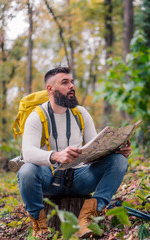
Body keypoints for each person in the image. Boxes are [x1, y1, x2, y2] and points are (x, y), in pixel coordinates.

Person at [17, 66, 131, 238]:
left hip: (80, 179)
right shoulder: (37, 116)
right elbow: (27, 153)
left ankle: (89, 216)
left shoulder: (81, 113)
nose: (71, 86)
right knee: (26, 171)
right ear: (50, 89)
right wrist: (56, 155)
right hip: (49, 180)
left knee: (119, 161)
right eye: (65, 82)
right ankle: (40, 226)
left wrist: (117, 151)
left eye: (72, 82)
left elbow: (96, 149)